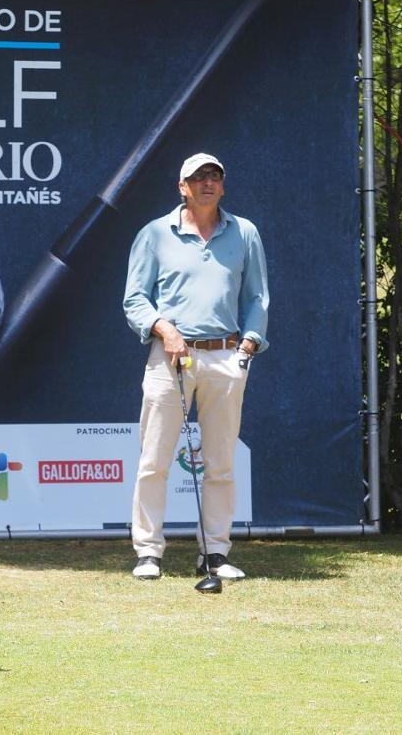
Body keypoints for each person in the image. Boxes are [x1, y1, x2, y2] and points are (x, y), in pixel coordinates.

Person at [122, 153, 269, 581]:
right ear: (181, 186)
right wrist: (164, 329)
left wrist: (248, 344)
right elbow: (134, 298)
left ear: (222, 187)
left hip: (226, 356)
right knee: (154, 459)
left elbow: (257, 297)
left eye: (214, 176)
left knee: (221, 461)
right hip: (170, 358)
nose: (207, 183)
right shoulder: (154, 234)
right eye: (197, 177)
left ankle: (215, 554)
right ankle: (148, 552)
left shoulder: (244, 233)